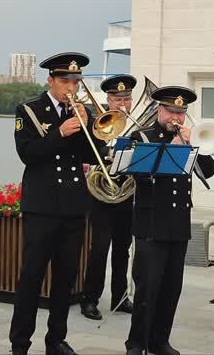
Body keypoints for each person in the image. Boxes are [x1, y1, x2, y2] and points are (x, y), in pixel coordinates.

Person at [9, 52, 105, 355]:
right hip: (42, 207)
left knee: (66, 278)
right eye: (65, 80)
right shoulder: (29, 110)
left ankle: (56, 339)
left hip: (74, 206)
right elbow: (28, 154)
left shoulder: (83, 111)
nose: (71, 87)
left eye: (76, 81)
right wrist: (60, 132)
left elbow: (93, 155)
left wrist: (89, 127)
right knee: (32, 277)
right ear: (51, 80)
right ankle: (20, 343)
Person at [125, 86, 214, 355]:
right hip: (151, 222)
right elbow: (138, 175)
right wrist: (170, 150)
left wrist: (195, 147)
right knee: (147, 288)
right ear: (160, 110)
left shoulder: (189, 138)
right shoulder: (142, 136)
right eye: (171, 112)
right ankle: (136, 342)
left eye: (181, 113)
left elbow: (208, 171)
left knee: (171, 288)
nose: (176, 118)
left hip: (178, 222)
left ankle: (159, 339)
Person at [80, 74, 137, 320]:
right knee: (100, 248)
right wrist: (109, 153)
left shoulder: (137, 125)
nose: (123, 104)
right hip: (101, 195)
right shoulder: (97, 122)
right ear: (108, 99)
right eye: (117, 99)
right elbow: (88, 149)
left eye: (127, 98)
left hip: (126, 193)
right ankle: (90, 299)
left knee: (123, 248)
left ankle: (120, 297)